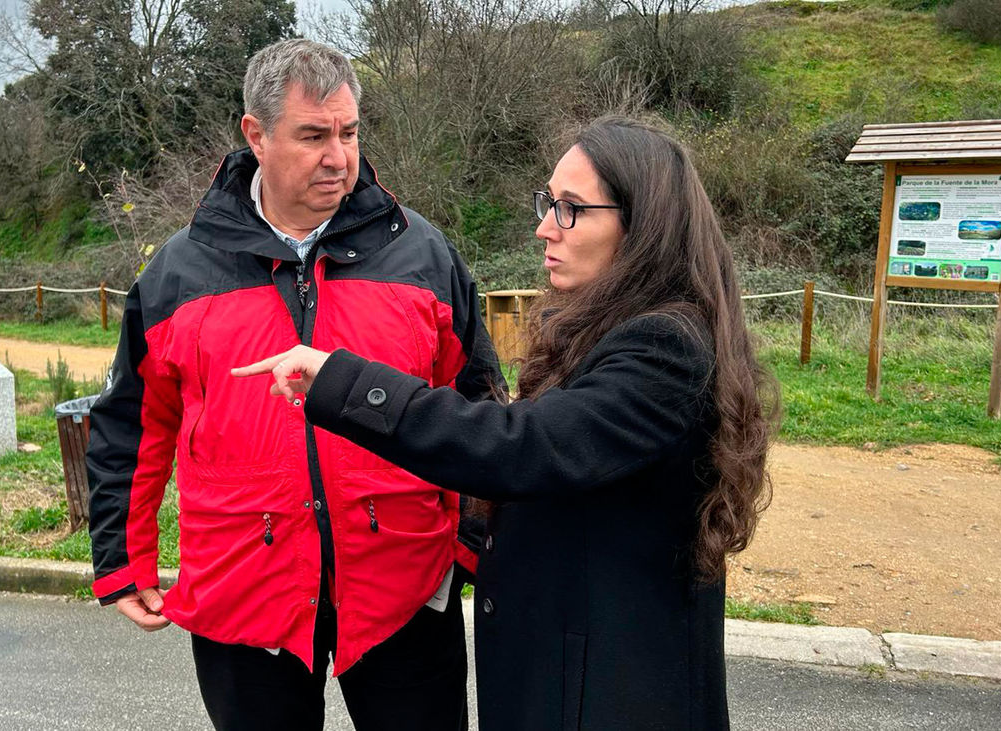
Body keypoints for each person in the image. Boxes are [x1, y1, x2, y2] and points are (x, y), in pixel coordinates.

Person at [234, 116, 779, 730]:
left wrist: (343, 381)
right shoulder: (608, 330)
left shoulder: (664, 348)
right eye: (548, 201)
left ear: (643, 226)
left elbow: (526, 447)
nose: (545, 226)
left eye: (572, 208)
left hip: (608, 696)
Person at [85, 38, 503, 731]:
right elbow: (133, 420)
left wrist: (473, 541)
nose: (339, 156)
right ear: (256, 135)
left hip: (404, 582)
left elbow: (477, 403)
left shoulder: (424, 255)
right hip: (244, 589)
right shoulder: (178, 274)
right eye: (313, 135)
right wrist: (122, 560)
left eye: (349, 131)